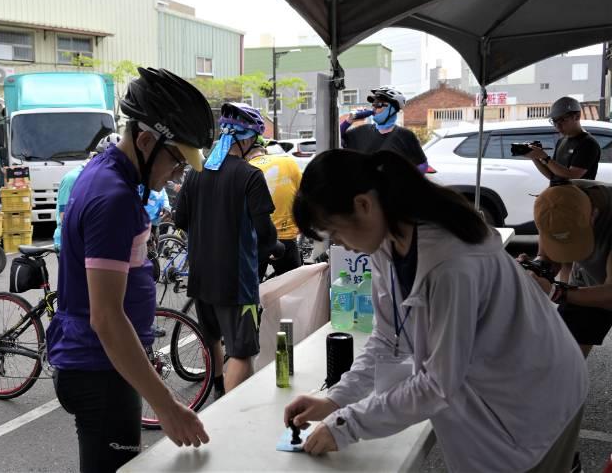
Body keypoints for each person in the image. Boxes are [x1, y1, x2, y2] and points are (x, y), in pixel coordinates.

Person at [284, 148, 587, 472]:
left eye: (335, 231)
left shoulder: (450, 261)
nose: (339, 244)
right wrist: (335, 400)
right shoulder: (387, 243)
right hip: (493, 390)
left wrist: (347, 425)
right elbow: (387, 339)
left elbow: (438, 383)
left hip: (533, 400)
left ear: (363, 205)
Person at [46, 68, 212, 472]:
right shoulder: (114, 197)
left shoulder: (107, 171)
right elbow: (106, 317)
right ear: (144, 140)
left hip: (100, 363)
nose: (177, 174)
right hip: (100, 368)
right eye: (176, 161)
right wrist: (166, 405)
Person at [174, 103, 277, 398]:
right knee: (243, 351)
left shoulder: (195, 173)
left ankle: (219, 385)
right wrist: (276, 248)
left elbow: (180, 219)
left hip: (201, 275)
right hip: (236, 281)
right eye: (255, 140)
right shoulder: (250, 176)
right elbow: (266, 233)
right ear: (245, 141)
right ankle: (226, 413)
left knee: (213, 337)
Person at [525, 182, 612, 356]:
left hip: (608, 289)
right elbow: (551, 257)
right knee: (562, 355)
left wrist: (556, 292)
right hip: (587, 281)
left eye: (576, 239)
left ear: (593, 215)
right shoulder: (552, 206)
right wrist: (538, 267)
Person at [52, 135, 122, 252]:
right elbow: (65, 217)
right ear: (98, 157)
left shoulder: (103, 177)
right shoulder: (72, 178)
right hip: (70, 243)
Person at [247, 136, 303, 279]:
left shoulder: (244, 170)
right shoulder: (288, 162)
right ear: (264, 150)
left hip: (255, 239)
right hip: (286, 237)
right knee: (292, 287)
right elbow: (304, 195)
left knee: (251, 292)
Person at [342, 86, 428, 172]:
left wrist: (403, 179)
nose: (374, 108)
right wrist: (349, 120)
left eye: (378, 104)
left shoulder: (406, 135)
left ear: (392, 109)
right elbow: (334, 138)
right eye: (373, 104)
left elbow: (423, 165)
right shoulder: (362, 130)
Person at [524, 96, 601, 185]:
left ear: (577, 116)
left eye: (562, 120)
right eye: (554, 121)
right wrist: (535, 157)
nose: (557, 126)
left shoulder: (588, 143)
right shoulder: (562, 141)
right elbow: (552, 175)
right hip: (561, 194)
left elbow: (572, 176)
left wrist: (544, 157)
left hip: (578, 196)